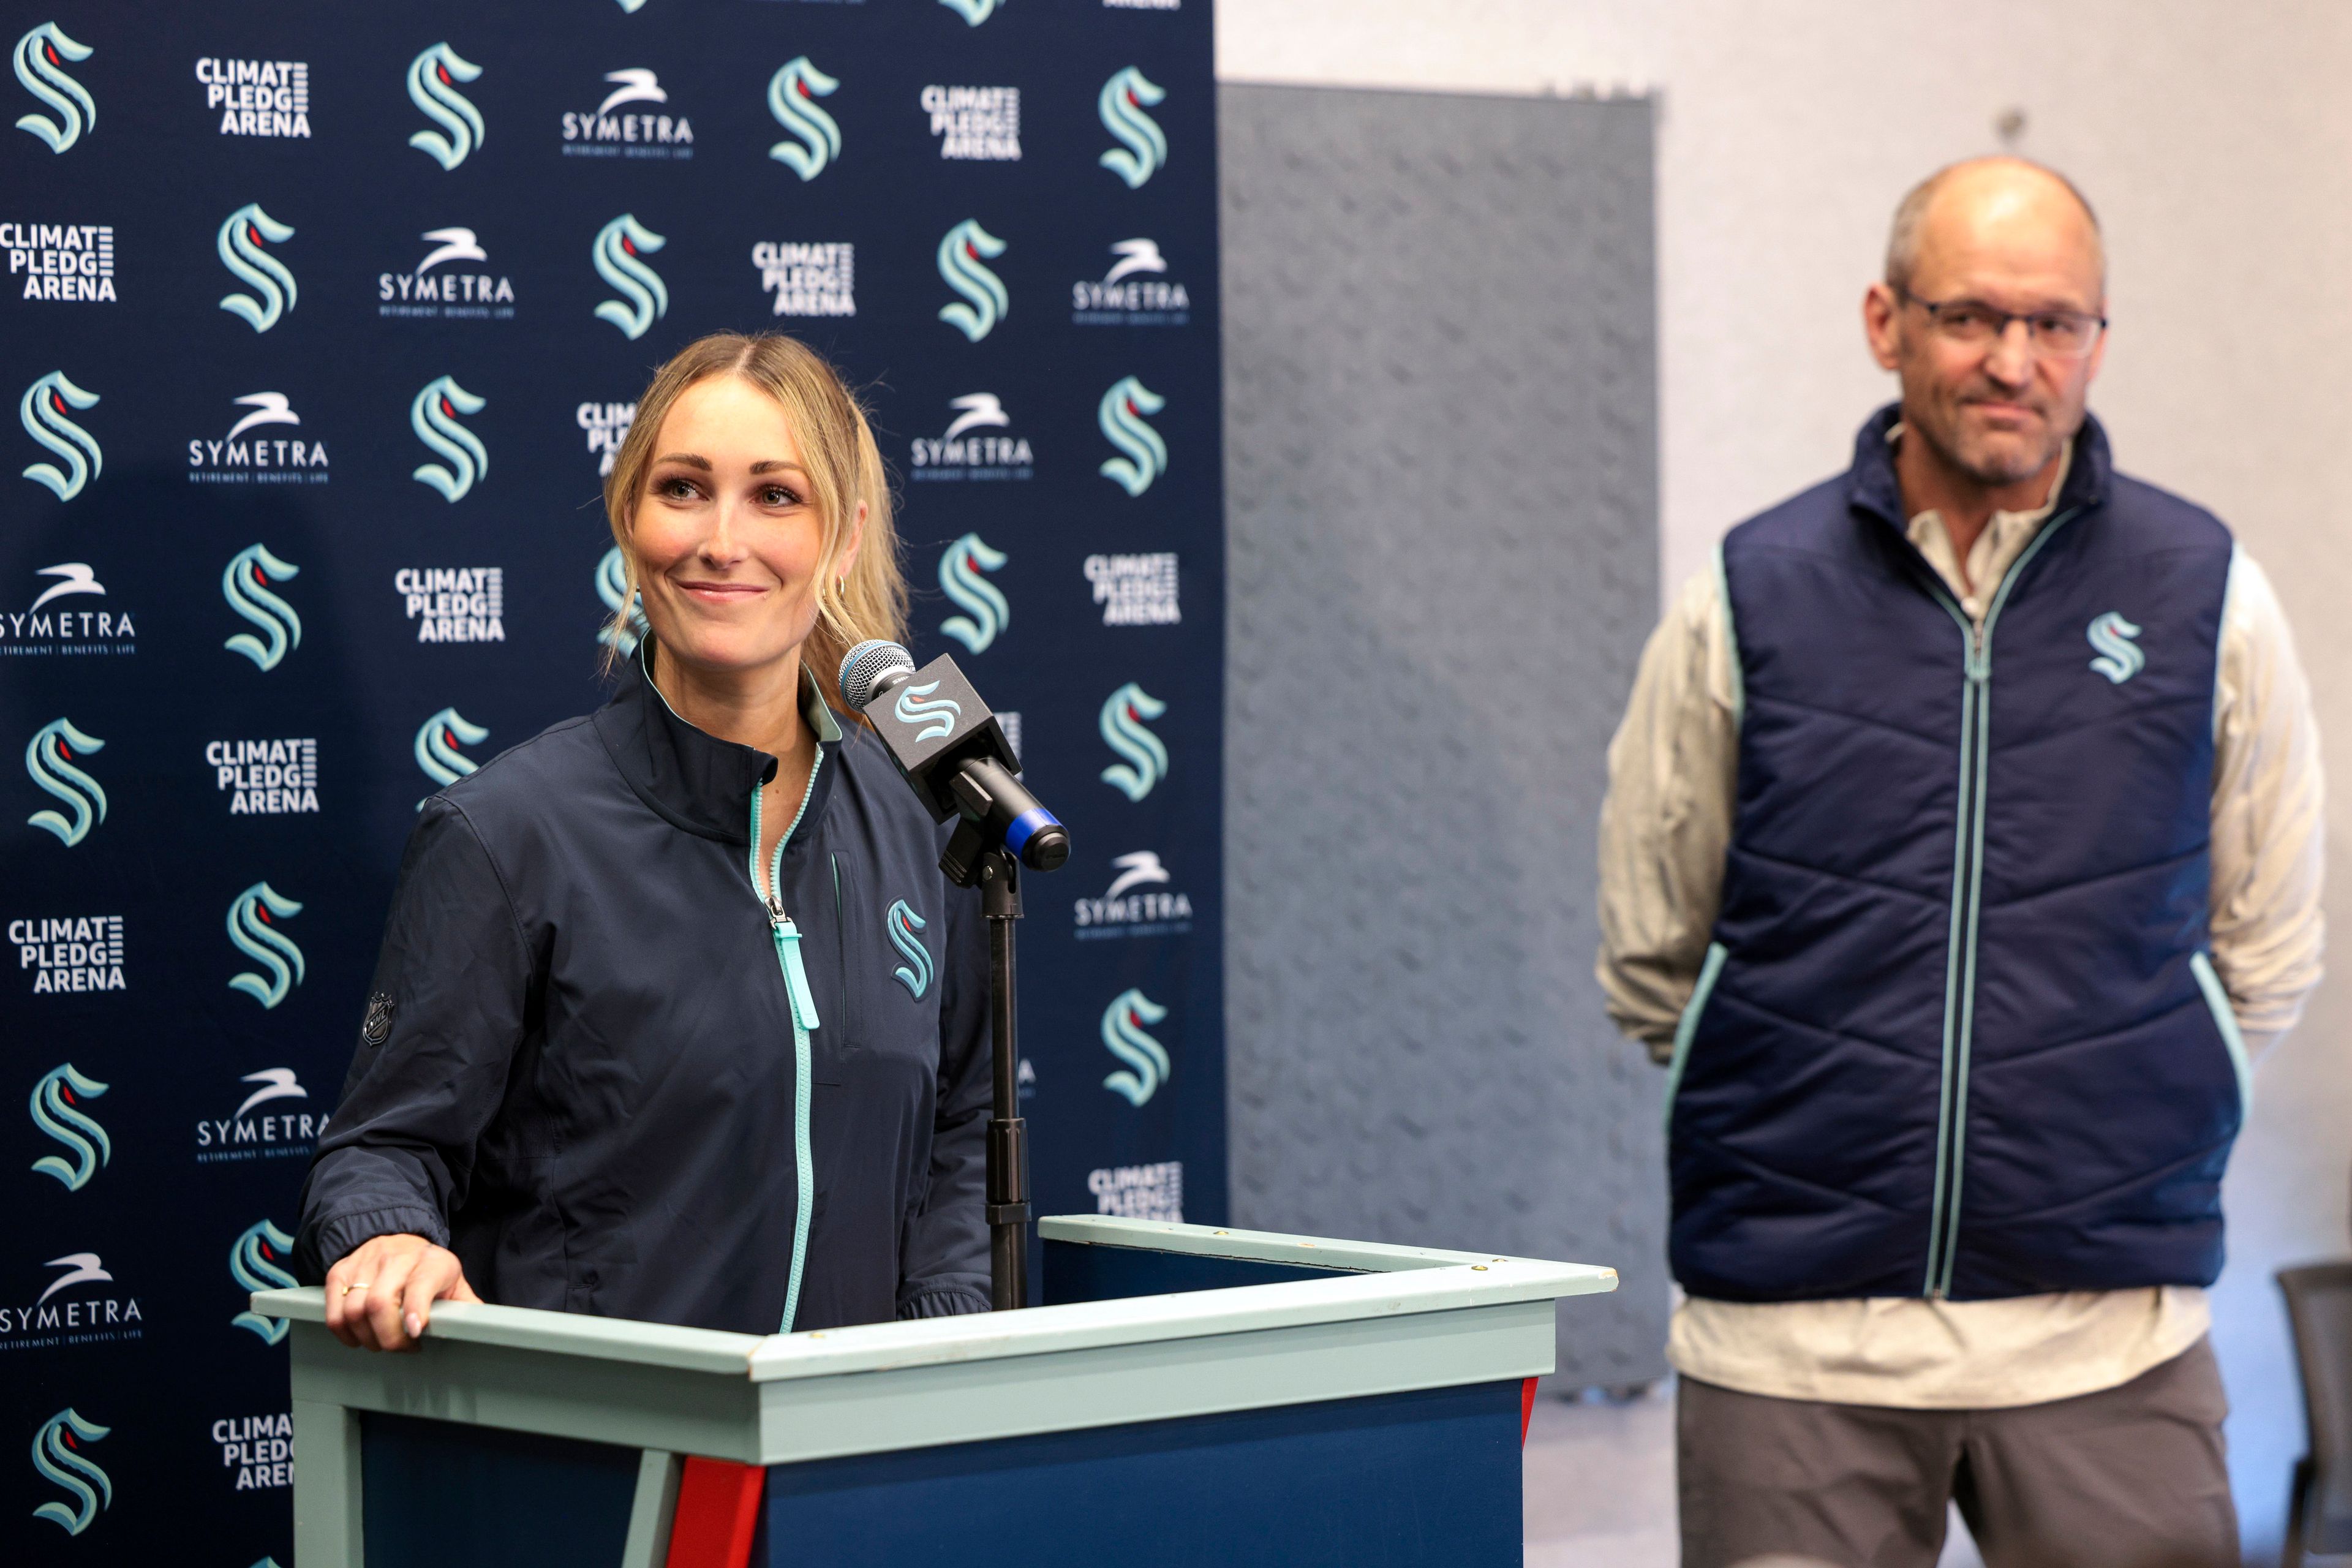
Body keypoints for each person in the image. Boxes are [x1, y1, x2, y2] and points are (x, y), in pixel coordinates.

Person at [1597, 157, 2323, 1566]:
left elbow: (2270, 940)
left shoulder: (2205, 593)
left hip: (2108, 1338)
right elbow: (1654, 948)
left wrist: (2154, 1091)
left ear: (2100, 341)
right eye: (1970, 316)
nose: (2015, 360)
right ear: (1887, 322)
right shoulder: (1752, 591)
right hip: (1793, 1346)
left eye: (2057, 323)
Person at [295, 333, 992, 1350]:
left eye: (775, 496)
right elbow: (383, 1148)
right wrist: (388, 1234)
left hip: (857, 1469)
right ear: (629, 519)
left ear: (843, 538)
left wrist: (942, 1354)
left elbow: (963, 1134)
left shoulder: (927, 807)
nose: (723, 538)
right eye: (682, 489)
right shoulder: (507, 830)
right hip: (612, 1469)